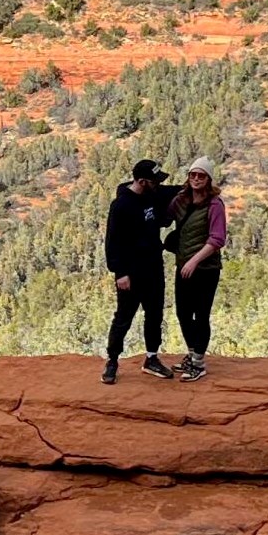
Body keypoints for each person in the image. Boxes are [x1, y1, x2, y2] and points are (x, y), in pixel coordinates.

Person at [102, 158, 177, 384]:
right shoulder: (121, 206)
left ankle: (151, 358)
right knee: (124, 317)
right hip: (131, 273)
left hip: (153, 267)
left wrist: (195, 186)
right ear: (143, 181)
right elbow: (112, 242)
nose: (159, 184)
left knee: (154, 315)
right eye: (155, 181)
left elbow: (171, 192)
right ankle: (112, 360)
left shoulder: (152, 195)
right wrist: (120, 273)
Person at [167, 158, 228, 379]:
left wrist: (194, 260)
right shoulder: (181, 200)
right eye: (193, 174)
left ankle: (199, 363)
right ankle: (192, 355)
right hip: (183, 266)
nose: (196, 179)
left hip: (206, 269)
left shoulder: (215, 205)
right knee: (183, 312)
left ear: (209, 179)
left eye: (201, 176)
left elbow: (217, 239)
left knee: (201, 314)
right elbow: (164, 214)